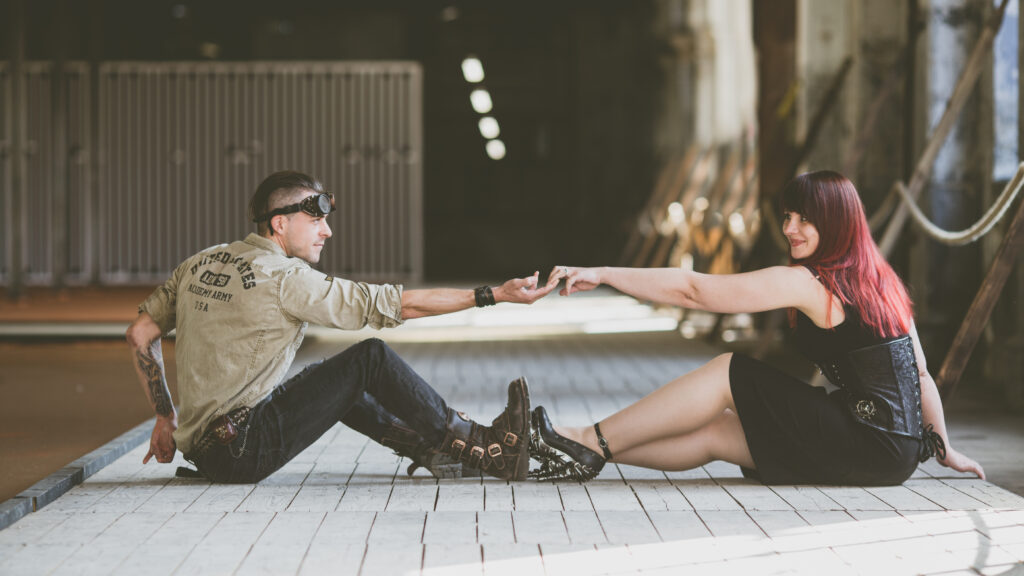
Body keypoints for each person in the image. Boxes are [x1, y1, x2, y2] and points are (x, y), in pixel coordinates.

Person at [529, 170, 985, 485]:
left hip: (867, 443)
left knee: (731, 370)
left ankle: (589, 439)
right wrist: (943, 448)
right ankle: (576, 447)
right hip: (895, 455)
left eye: (806, 218)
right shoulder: (881, 281)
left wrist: (606, 273)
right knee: (718, 434)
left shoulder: (810, 283)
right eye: (788, 216)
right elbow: (920, 373)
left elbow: (695, 290)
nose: (791, 228)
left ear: (836, 221)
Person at [126, 170, 559, 483]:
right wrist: (494, 295)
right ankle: (486, 446)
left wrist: (165, 417)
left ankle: (433, 451)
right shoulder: (285, 279)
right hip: (241, 451)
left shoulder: (201, 262)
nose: (327, 231)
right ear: (280, 224)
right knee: (368, 359)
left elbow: (140, 334)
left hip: (210, 449)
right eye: (316, 221)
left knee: (331, 380)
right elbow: (397, 305)